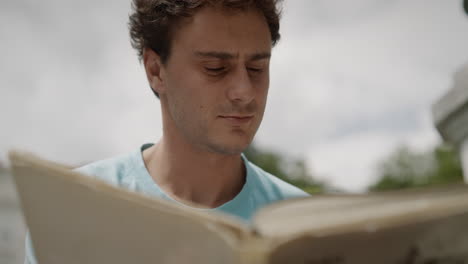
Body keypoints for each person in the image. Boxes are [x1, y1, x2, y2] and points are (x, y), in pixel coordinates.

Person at [24, 0, 309, 263]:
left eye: (257, 68)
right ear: (156, 70)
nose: (245, 92)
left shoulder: (308, 225)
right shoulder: (73, 211)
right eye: (216, 68)